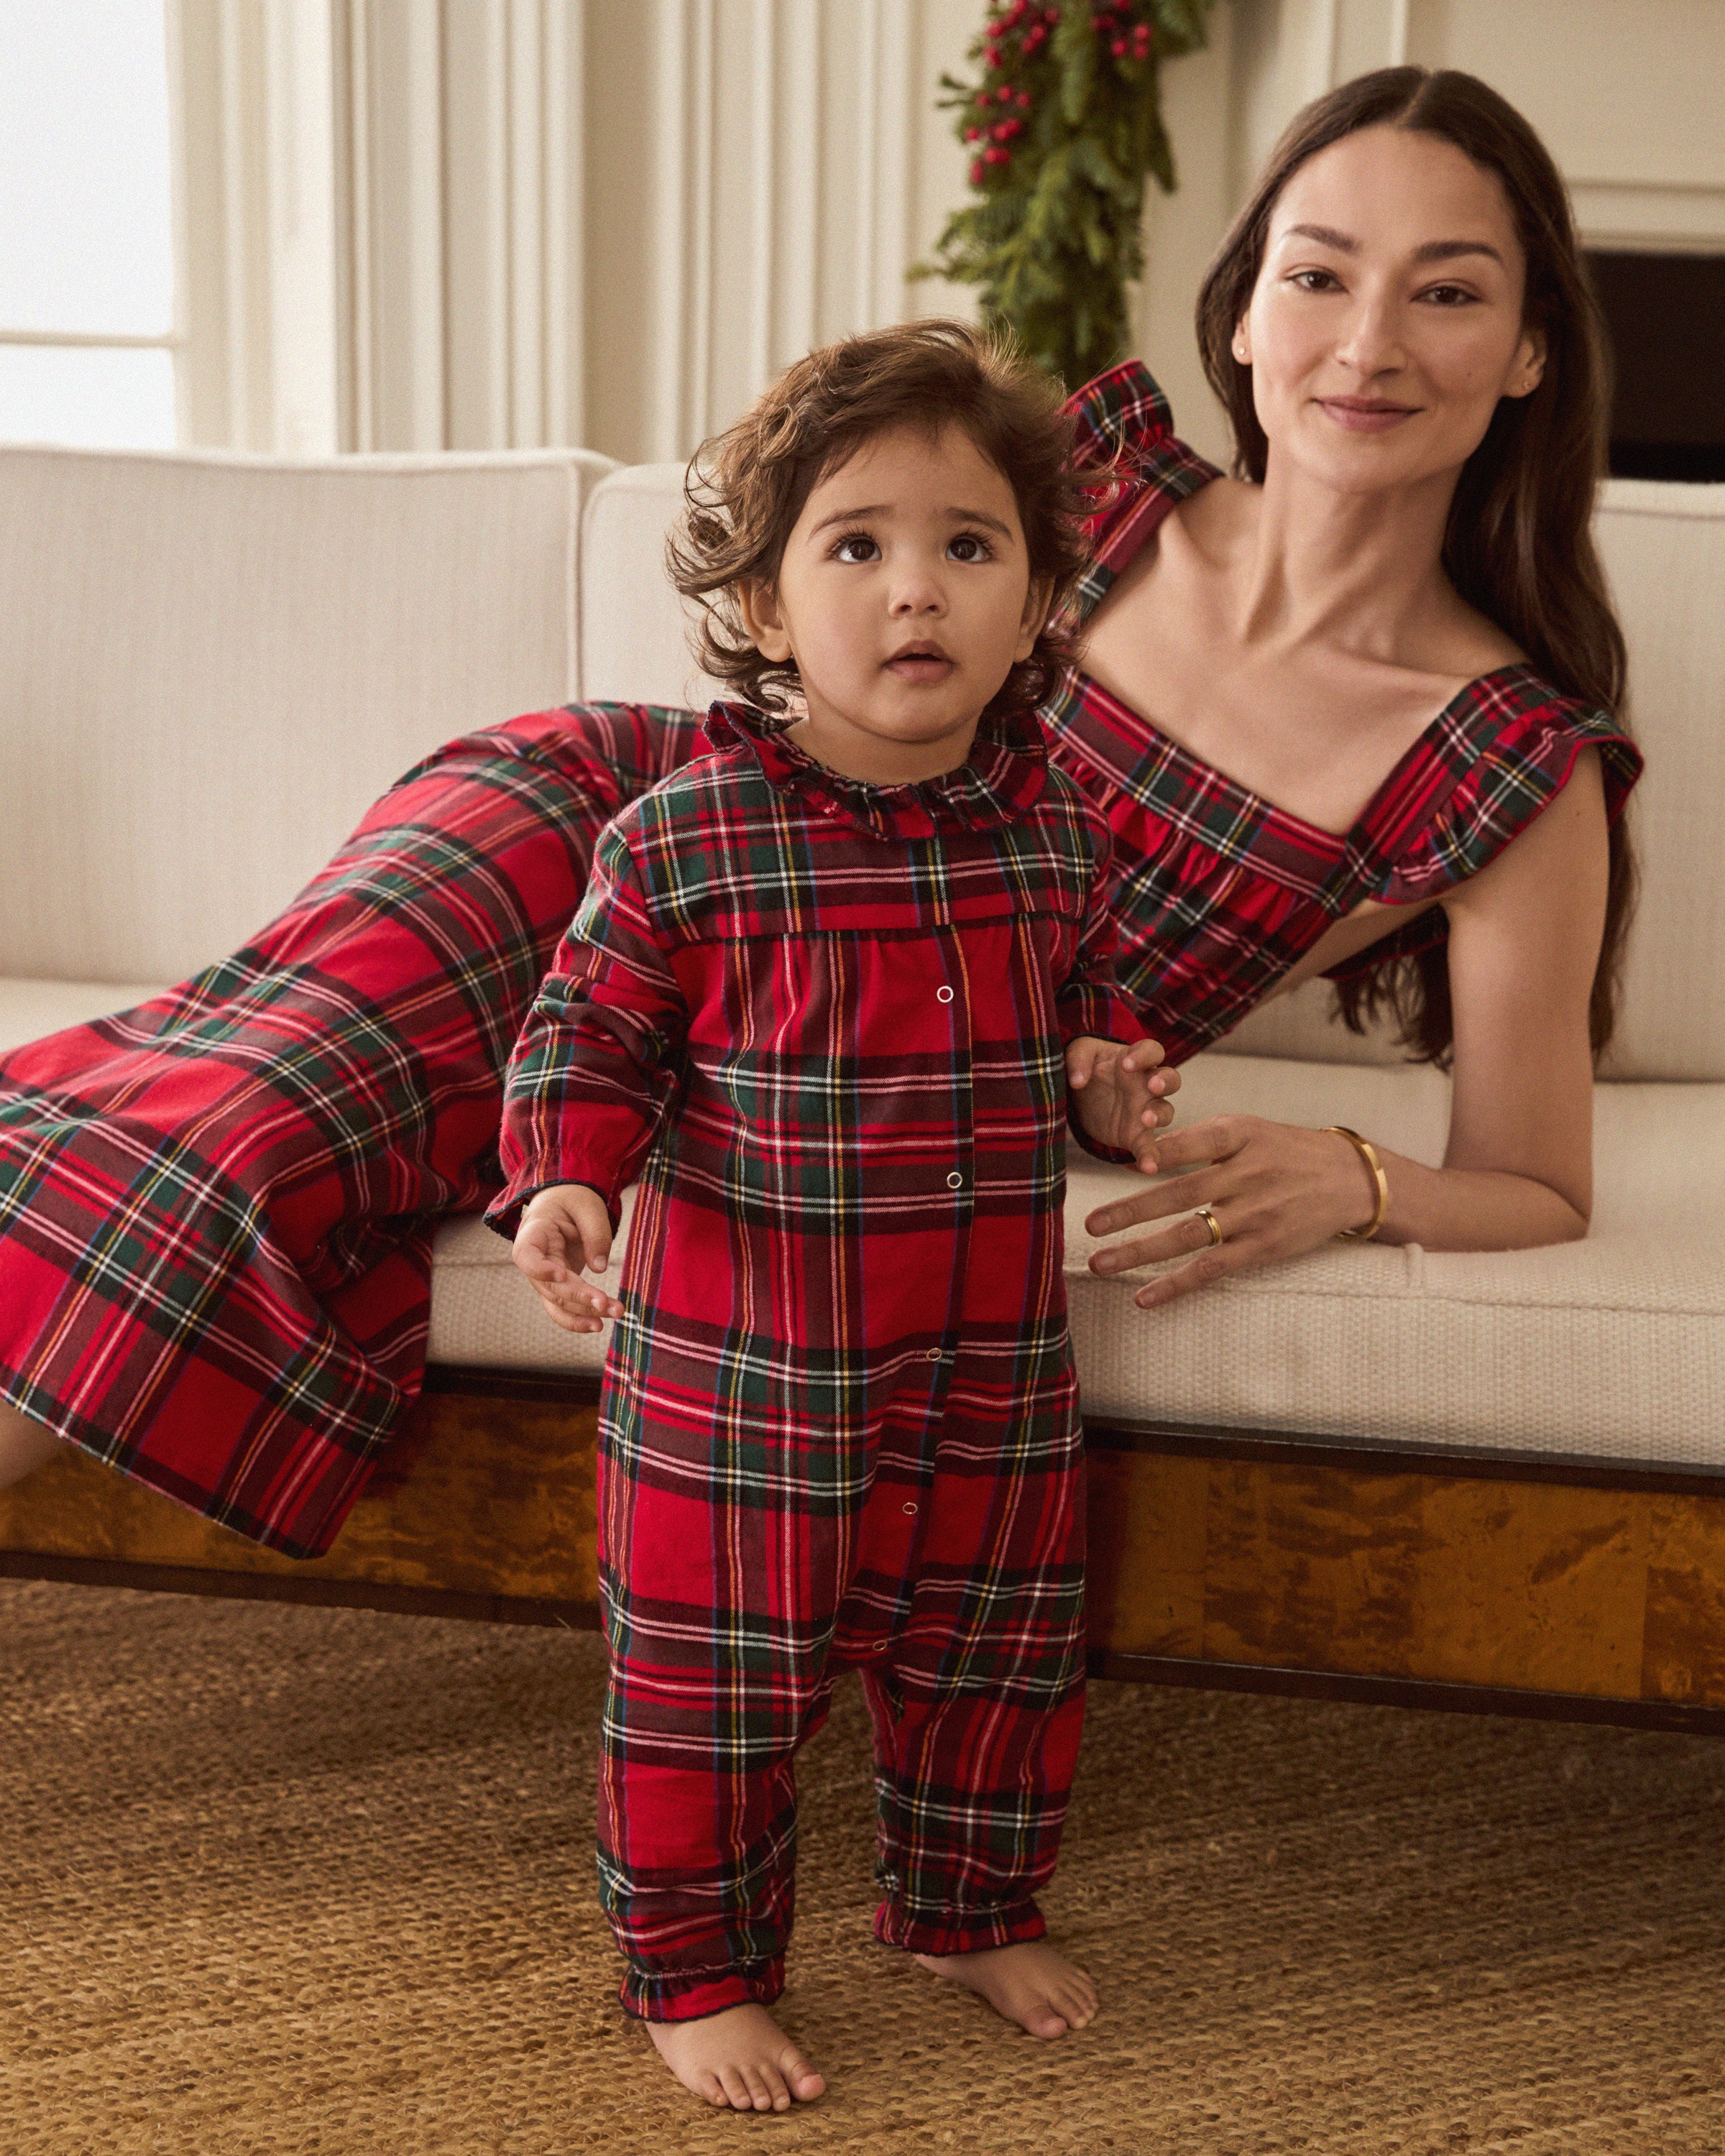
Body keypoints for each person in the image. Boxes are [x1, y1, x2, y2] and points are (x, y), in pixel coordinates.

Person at [0, 67, 1639, 1546]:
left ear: (1530, 347)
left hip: (819, 1049)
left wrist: (1353, 1176)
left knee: (254, 1154)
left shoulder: (1500, 760)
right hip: (628, 837)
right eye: (1320, 274)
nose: (1366, 344)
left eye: (1447, 293)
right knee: (245, 1133)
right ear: (1244, 314)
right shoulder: (1094, 481)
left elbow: (1536, 1183)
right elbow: (810, 585)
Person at [486, 325, 1171, 2111]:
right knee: (716, 1681)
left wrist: (1109, 1078)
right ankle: (698, 1967)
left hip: (993, 1362)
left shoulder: (1053, 827)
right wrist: (565, 1176)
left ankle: (961, 1902)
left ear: (1035, 604)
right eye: (856, 544)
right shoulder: (689, 839)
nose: (915, 588)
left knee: (1001, 1646)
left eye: (969, 543)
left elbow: (1089, 1005)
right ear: (772, 606)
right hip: (749, 1374)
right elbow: (587, 1037)